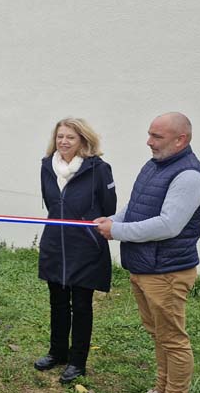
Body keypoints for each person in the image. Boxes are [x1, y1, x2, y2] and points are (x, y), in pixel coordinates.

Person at [95, 112, 200, 393]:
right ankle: (161, 387)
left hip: (167, 272)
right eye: (149, 134)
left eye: (156, 136)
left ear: (180, 140)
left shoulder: (190, 176)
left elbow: (169, 225)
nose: (148, 142)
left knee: (172, 339)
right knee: (159, 335)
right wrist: (113, 221)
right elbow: (136, 207)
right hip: (146, 267)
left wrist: (117, 231)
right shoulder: (155, 166)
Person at [35, 118, 117, 384]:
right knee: (57, 302)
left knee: (81, 306)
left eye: (70, 137)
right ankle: (57, 352)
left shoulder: (99, 169)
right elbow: (50, 203)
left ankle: (77, 361)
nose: (64, 142)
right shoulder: (47, 166)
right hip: (54, 246)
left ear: (83, 140)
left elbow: (108, 206)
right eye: (60, 136)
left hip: (85, 248)